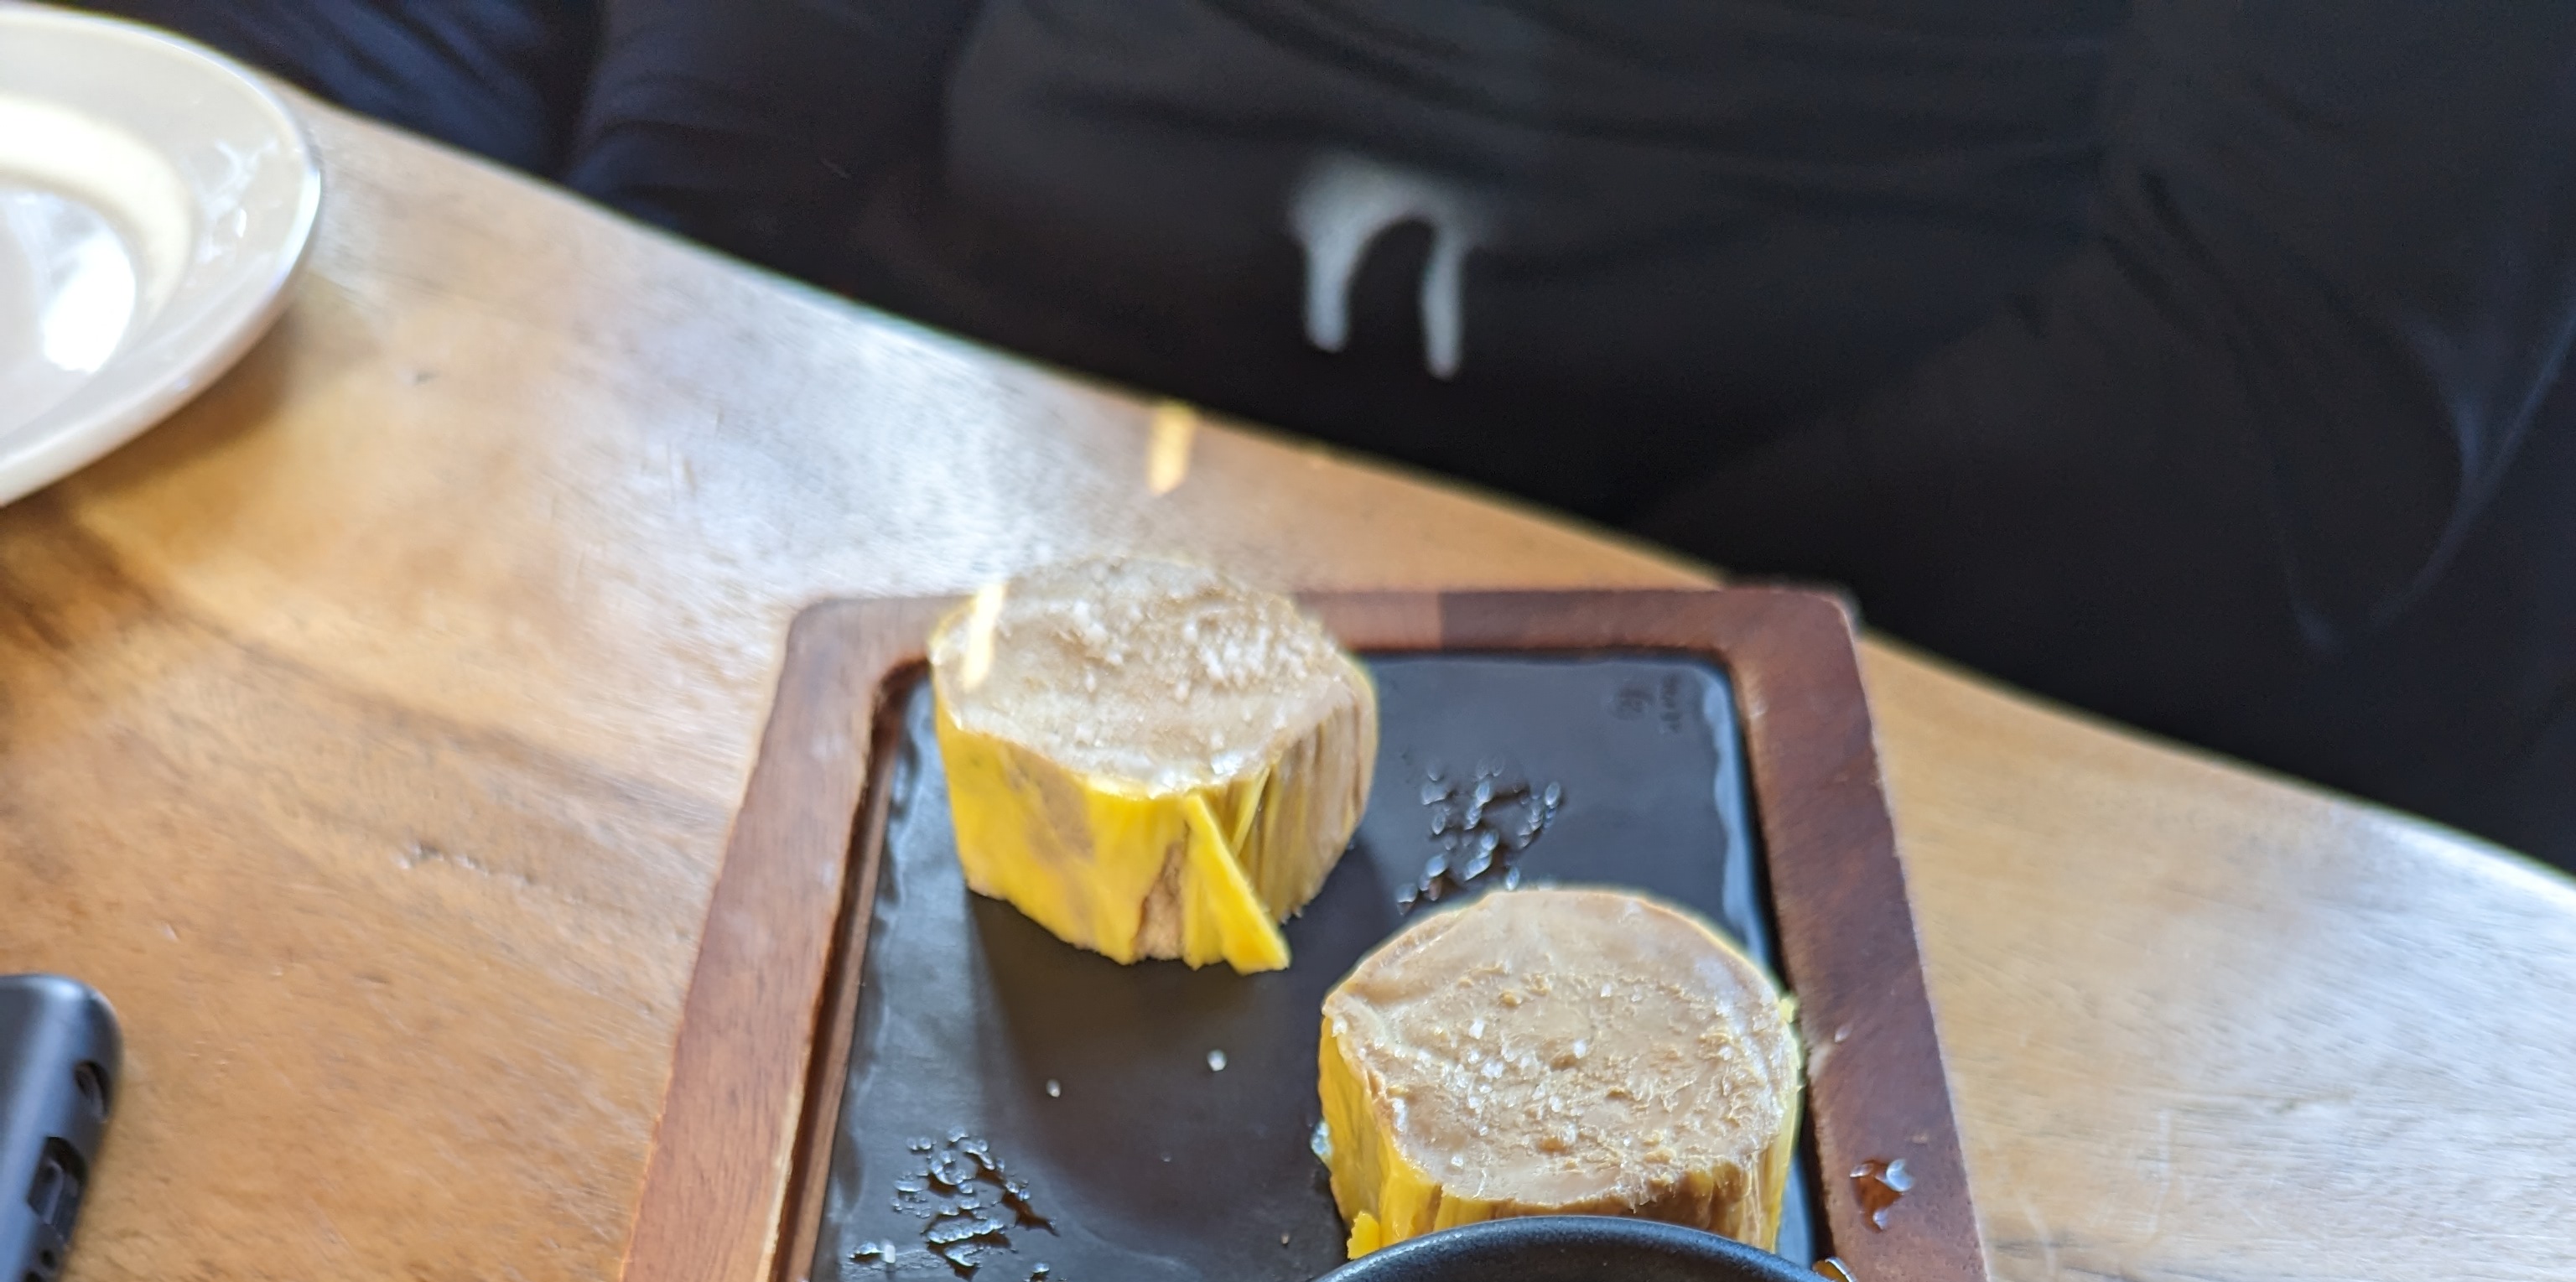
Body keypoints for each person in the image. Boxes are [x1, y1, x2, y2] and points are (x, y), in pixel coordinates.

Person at [112, 0, 2576, 870]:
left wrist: (1542, 702)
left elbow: (2274, 392)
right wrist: (670, 328)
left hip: (1772, 625)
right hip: (942, 433)